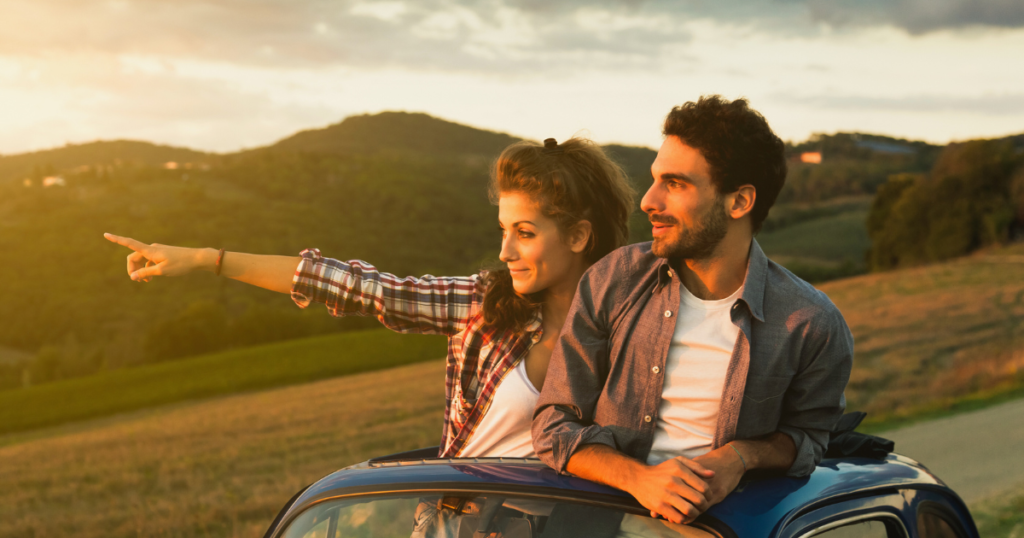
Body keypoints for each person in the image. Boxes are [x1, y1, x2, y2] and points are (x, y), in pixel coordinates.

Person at [105, 136, 634, 460]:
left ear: (580, 236)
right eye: (503, 229)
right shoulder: (483, 305)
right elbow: (356, 287)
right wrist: (206, 259)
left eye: (524, 232)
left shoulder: (631, 326)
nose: (505, 250)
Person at [532, 96, 854, 527]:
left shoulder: (810, 324)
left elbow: (810, 438)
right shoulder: (614, 280)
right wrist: (639, 479)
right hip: (598, 526)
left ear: (739, 202)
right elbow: (554, 424)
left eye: (675, 184)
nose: (648, 200)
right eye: (653, 180)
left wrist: (740, 456)